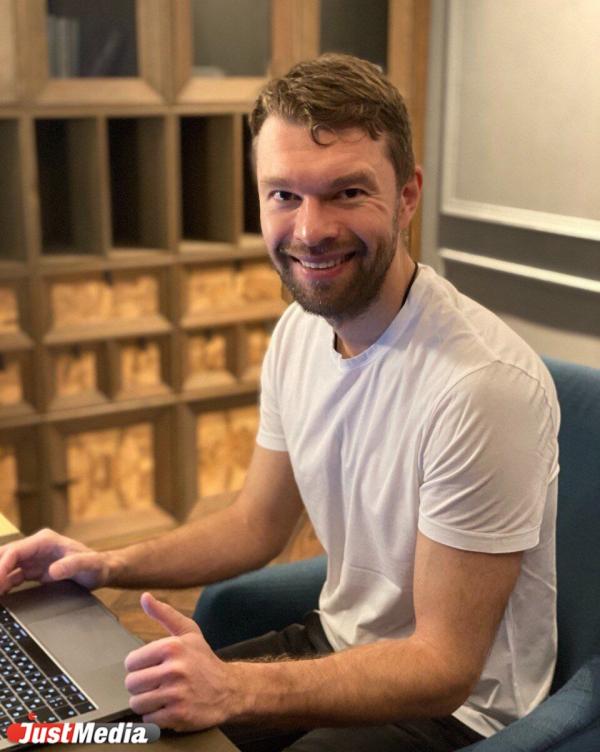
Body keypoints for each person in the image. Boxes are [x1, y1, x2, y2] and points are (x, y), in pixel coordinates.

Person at [0, 55, 559, 752]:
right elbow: (254, 526)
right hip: (339, 644)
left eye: (347, 192)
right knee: (96, 735)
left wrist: (233, 689)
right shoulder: (300, 332)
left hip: (454, 713)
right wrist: (104, 564)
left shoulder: (481, 387)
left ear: (408, 195)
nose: (310, 229)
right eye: (284, 195)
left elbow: (444, 667)